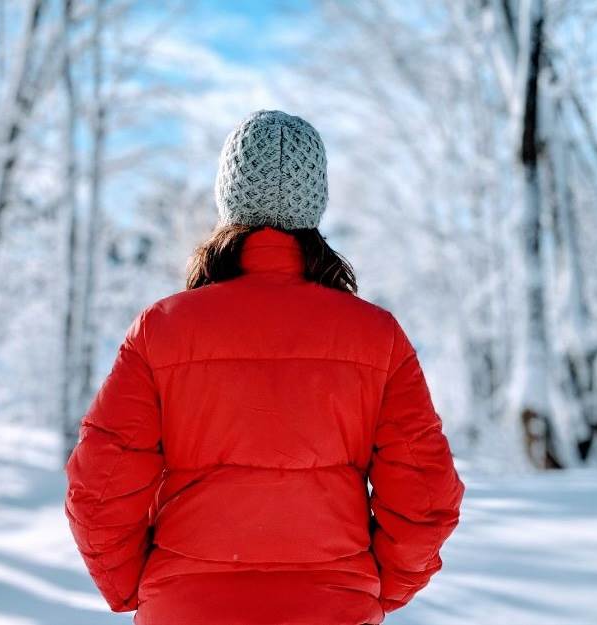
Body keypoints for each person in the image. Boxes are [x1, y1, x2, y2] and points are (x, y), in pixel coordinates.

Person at [64, 110, 465, 625]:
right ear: (314, 202)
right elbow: (426, 495)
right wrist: (374, 590)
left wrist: (134, 587)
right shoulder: (377, 337)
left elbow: (99, 484)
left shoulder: (161, 330)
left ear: (228, 200)